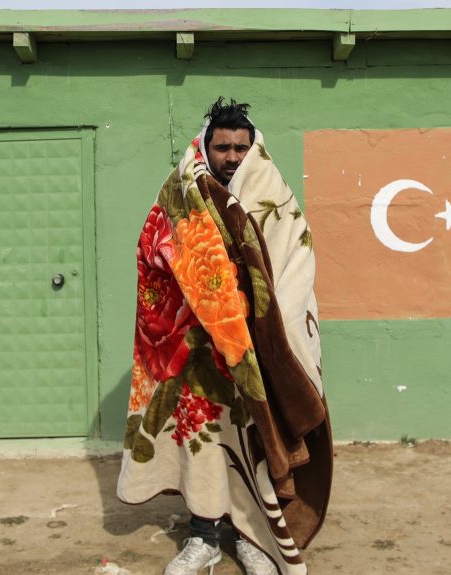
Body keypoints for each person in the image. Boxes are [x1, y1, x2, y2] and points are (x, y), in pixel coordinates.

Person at [117, 97, 332, 575]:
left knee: (256, 441)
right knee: (205, 444)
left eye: (240, 147)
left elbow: (297, 261)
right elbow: (153, 248)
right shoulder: (180, 191)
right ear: (205, 145)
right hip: (197, 351)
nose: (232, 156)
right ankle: (204, 537)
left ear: (253, 148)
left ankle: (255, 536)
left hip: (256, 348)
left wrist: (265, 325)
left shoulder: (273, 191)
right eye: (222, 147)